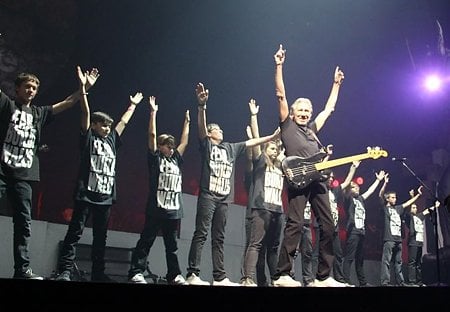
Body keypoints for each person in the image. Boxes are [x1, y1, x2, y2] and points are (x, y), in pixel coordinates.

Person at [0, 66, 98, 279]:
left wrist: (85, 86)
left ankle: (22, 270)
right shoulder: (6, 105)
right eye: (27, 86)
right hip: (2, 170)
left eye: (34, 87)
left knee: (23, 223)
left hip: (25, 175)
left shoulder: (39, 113)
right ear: (17, 89)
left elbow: (69, 103)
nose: (31, 90)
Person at [185, 83, 280, 286]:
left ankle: (219, 277)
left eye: (220, 129)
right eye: (216, 129)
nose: (220, 131)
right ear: (211, 134)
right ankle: (193, 273)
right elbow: (201, 130)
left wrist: (271, 137)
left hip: (224, 198)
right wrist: (201, 107)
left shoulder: (230, 147)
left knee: (218, 237)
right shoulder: (207, 145)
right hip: (208, 196)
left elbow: (252, 143)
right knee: (201, 233)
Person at [55, 67, 143, 282]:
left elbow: (123, 123)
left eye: (108, 125)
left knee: (100, 238)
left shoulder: (112, 139)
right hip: (86, 193)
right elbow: (85, 113)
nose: (107, 128)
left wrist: (132, 105)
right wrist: (84, 90)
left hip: (105, 196)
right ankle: (64, 271)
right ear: (94, 125)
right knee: (75, 233)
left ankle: (97, 273)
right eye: (103, 125)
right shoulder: (88, 138)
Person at [271, 44, 347, 287]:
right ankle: (282, 274)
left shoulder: (313, 131)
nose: (304, 113)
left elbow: (329, 109)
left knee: (328, 226)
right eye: (300, 110)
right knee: (295, 224)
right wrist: (279, 65)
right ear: (292, 113)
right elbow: (280, 93)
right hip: (297, 178)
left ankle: (323, 277)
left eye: (307, 110)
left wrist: (336, 85)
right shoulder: (287, 126)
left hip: (318, 181)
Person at [128, 96, 190, 285]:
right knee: (146, 241)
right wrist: (153, 112)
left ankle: (174, 275)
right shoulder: (155, 159)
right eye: (166, 145)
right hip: (156, 208)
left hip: (173, 210)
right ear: (160, 147)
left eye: (172, 146)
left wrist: (187, 123)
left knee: (172, 246)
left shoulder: (176, 159)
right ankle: (136, 272)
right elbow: (152, 136)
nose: (170, 149)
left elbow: (184, 142)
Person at [241, 99, 284, 287]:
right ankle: (247, 278)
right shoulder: (260, 161)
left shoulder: (281, 166)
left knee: (274, 248)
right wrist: (254, 116)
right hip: (261, 208)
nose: (276, 151)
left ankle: (275, 279)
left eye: (277, 149)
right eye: (273, 148)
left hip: (278, 210)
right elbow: (257, 140)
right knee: (256, 244)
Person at [342, 169, 386, 287]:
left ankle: (362, 282)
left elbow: (370, 191)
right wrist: (352, 170)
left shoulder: (360, 199)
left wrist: (378, 180)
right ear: (349, 190)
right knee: (349, 257)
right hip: (353, 232)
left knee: (360, 259)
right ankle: (345, 280)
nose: (357, 189)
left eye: (357, 187)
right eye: (354, 187)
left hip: (361, 232)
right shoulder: (348, 199)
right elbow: (345, 188)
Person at [378, 174, 423, 286]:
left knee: (399, 262)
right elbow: (380, 195)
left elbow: (407, 203)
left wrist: (418, 195)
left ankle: (401, 282)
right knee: (386, 261)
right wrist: (385, 183)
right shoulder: (385, 208)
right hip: (389, 239)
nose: (395, 199)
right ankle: (385, 282)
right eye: (392, 197)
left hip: (398, 239)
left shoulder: (398, 209)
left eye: (395, 197)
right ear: (387, 199)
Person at [242, 124, 268, 286]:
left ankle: (262, 280)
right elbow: (250, 158)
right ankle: (246, 277)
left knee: (263, 250)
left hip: (267, 213)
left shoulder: (269, 172)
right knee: (252, 247)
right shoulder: (253, 173)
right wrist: (252, 139)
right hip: (253, 214)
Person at [405, 198, 440, 286]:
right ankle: (412, 281)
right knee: (412, 262)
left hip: (420, 243)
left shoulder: (419, 216)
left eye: (416, 207)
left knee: (418, 263)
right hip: (413, 243)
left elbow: (426, 211)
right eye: (413, 207)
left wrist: (435, 206)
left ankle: (419, 281)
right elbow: (406, 208)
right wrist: (411, 197)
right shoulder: (409, 217)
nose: (415, 209)